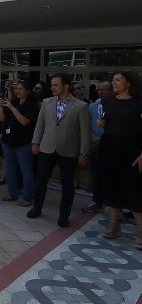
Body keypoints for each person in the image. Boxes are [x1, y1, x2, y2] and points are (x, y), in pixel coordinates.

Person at [28, 74, 91, 227]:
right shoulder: (47, 102)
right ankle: (37, 207)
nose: (52, 88)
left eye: (55, 85)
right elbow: (40, 124)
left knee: (67, 184)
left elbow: (85, 132)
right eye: (52, 85)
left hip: (68, 150)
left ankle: (64, 215)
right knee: (41, 181)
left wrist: (84, 152)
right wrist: (35, 142)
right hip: (47, 147)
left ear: (66, 86)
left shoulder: (81, 106)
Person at [96, 71, 142, 247]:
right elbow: (110, 123)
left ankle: (140, 231)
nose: (113, 83)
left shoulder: (138, 103)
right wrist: (103, 124)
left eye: (117, 80)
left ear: (128, 83)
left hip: (132, 152)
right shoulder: (107, 101)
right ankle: (114, 225)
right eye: (112, 80)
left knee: (134, 191)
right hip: (109, 149)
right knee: (112, 189)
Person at [0, 80, 39, 207]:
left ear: (28, 91)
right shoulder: (15, 102)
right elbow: (2, 119)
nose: (17, 91)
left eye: (20, 89)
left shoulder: (31, 105)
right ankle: (12, 193)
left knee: (26, 171)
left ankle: (27, 197)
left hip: (23, 142)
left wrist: (12, 108)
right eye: (16, 89)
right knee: (10, 169)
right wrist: (1, 107)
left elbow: (24, 122)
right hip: (8, 140)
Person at [83, 80, 112, 214]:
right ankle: (97, 201)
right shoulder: (93, 106)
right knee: (96, 174)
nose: (100, 92)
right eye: (99, 89)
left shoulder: (116, 105)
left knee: (111, 175)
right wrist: (92, 138)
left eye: (103, 89)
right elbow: (86, 125)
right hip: (96, 145)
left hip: (111, 145)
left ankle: (113, 204)